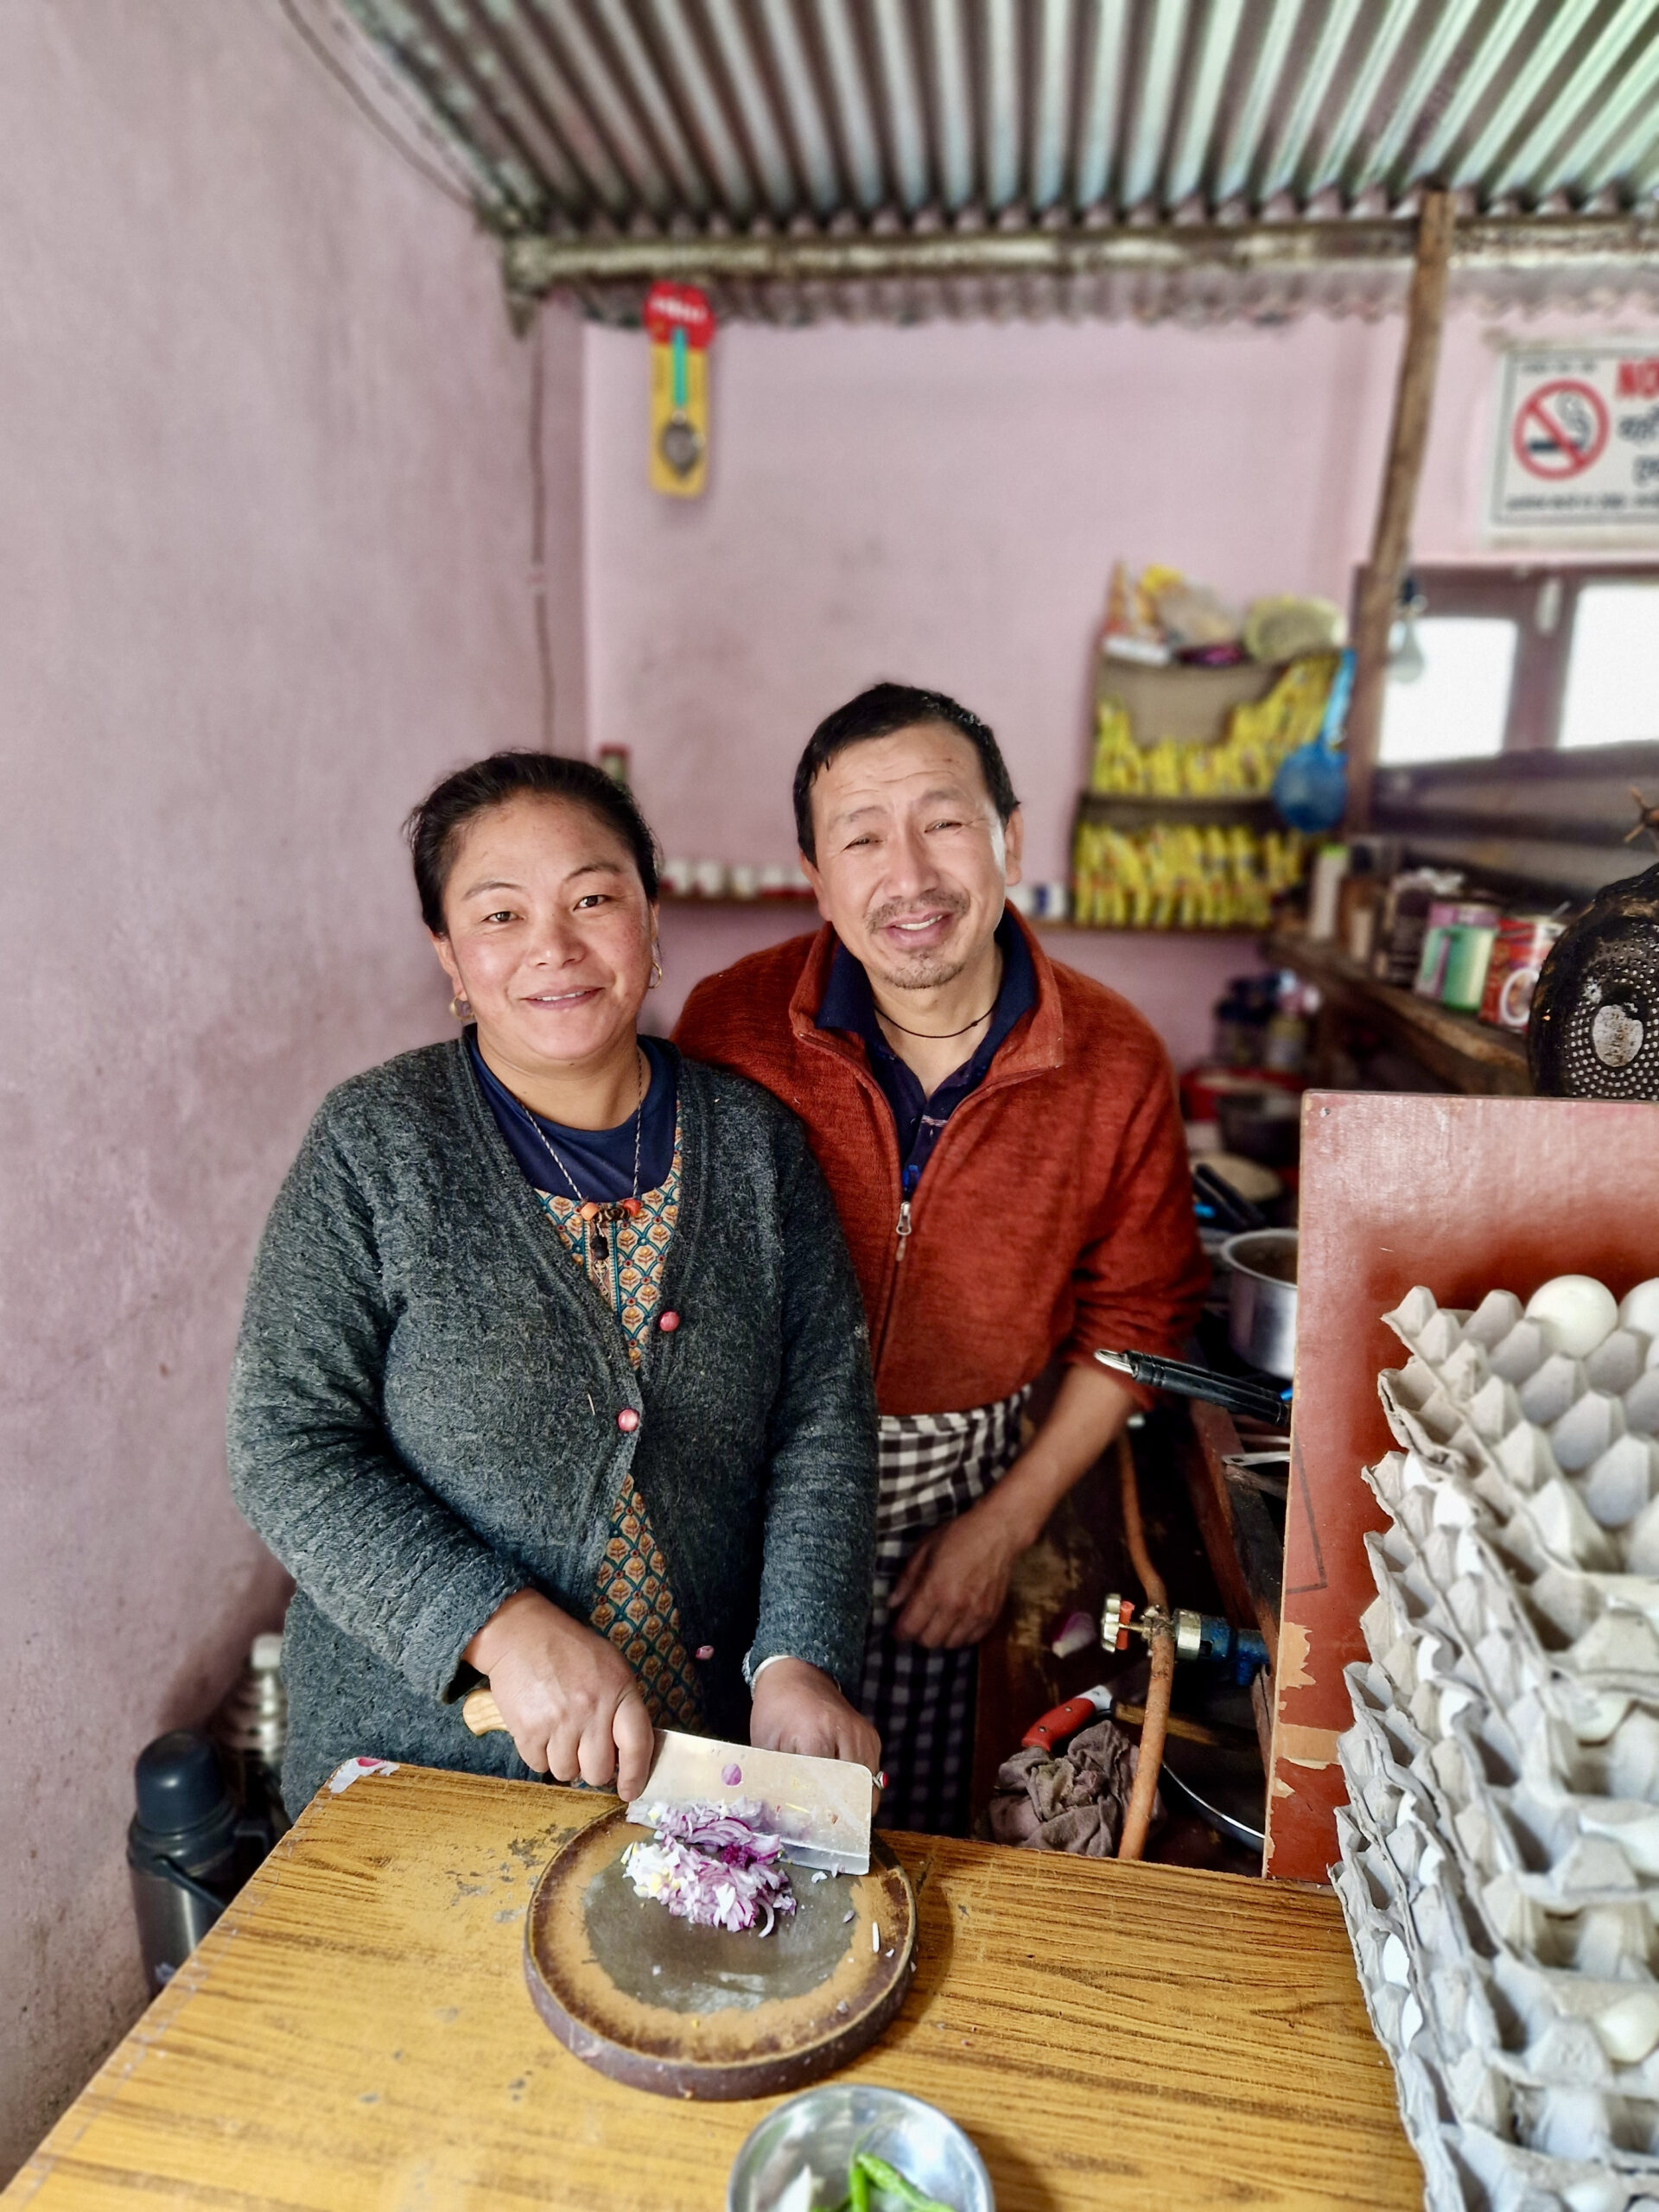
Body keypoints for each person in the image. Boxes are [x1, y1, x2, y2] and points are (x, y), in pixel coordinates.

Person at [229, 751, 880, 1818]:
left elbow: (822, 1420)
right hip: (422, 1771)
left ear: (651, 919)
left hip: (698, 1770)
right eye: (499, 916)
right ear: (447, 952)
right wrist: (497, 1622)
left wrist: (797, 1658)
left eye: (593, 898)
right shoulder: (372, 1147)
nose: (555, 948)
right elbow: (284, 1440)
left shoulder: (758, 1148)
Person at [676, 684, 1208, 1835]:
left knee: (898, 1823)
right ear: (816, 874)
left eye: (945, 822)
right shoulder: (732, 1025)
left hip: (959, 1493)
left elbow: (1140, 1322)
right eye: (861, 837)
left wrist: (1004, 1526)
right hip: (748, 1475)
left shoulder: (1113, 1059)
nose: (907, 876)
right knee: (725, 1814)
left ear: (1012, 838)